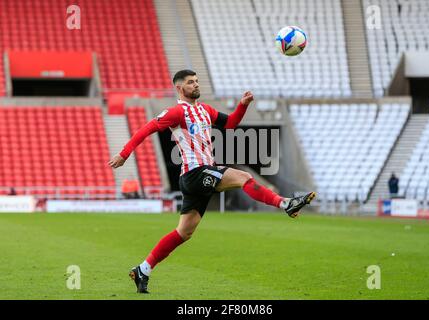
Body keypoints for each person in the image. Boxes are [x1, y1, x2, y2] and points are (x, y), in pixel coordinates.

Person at [108, 69, 316, 294]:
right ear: (179, 88)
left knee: (183, 233)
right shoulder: (177, 112)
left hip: (199, 174)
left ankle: (143, 270)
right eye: (190, 82)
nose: (196, 85)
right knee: (243, 177)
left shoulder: (205, 110)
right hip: (194, 173)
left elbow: (230, 124)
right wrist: (124, 153)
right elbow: (146, 129)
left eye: (197, 81)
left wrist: (243, 105)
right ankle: (285, 204)